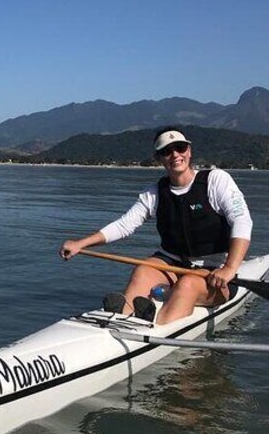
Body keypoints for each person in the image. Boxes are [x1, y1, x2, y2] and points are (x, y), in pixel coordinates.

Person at [60, 127, 252, 325]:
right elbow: (124, 225)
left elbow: (242, 220)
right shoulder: (155, 192)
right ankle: (120, 320)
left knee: (186, 285)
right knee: (142, 270)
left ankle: (157, 328)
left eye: (180, 147)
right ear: (159, 158)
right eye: (166, 151)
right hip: (171, 262)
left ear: (189, 151)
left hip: (214, 270)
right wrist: (81, 244)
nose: (175, 155)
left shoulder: (216, 180)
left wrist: (229, 268)